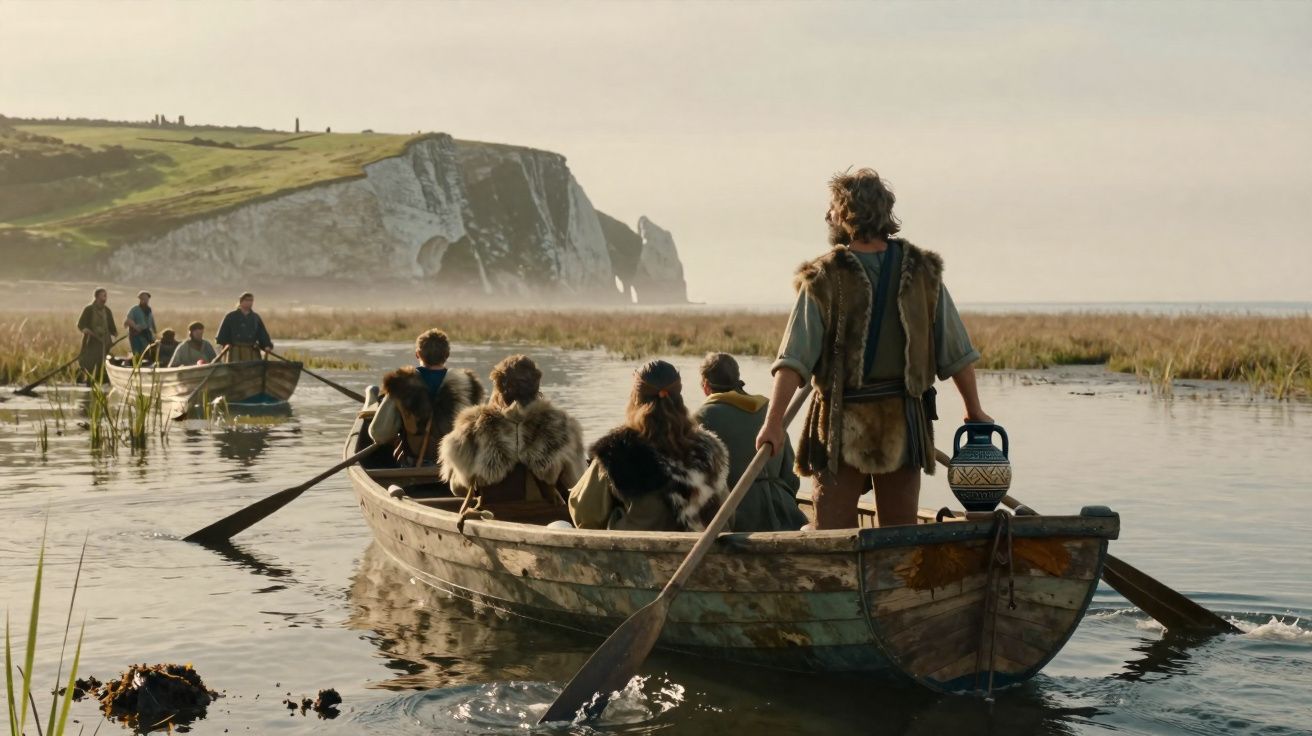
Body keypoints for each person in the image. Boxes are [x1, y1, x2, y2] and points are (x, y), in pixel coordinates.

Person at [756, 168, 992, 530]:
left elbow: (793, 361)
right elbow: (956, 352)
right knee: (898, 535)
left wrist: (773, 424)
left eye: (833, 208)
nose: (828, 216)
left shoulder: (823, 274)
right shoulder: (923, 271)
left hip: (841, 422)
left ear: (846, 213)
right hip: (902, 421)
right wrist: (974, 411)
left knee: (832, 535)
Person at [569, 360, 729, 532]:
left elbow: (585, 516)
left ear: (635, 398)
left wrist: (616, 516)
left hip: (635, 553)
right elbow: (728, 515)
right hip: (702, 550)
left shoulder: (617, 449)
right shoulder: (709, 449)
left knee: (559, 526)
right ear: (679, 398)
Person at [439, 355, 584, 519]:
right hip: (546, 518)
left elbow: (458, 488)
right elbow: (576, 482)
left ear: (499, 388)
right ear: (536, 387)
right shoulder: (562, 425)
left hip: (493, 517)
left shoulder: (471, 426)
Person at [694, 353, 807, 532]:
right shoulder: (771, 411)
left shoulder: (702, 418)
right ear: (738, 379)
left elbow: (700, 485)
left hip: (739, 520)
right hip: (787, 514)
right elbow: (791, 476)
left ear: (706, 386)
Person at [369, 329, 484, 467]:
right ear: (447, 355)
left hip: (416, 465)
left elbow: (380, 434)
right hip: (456, 467)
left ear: (417, 354)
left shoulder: (400, 384)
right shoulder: (469, 385)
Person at [75, 287, 117, 384]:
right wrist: (85, 330)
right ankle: (86, 381)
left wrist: (114, 334)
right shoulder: (88, 309)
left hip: (104, 343)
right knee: (88, 364)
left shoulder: (107, 311)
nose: (105, 298)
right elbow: (81, 324)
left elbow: (112, 328)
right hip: (91, 341)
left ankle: (98, 385)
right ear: (96, 297)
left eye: (105, 296)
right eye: (103, 296)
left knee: (101, 365)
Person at [215, 292, 272, 362]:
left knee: (253, 369)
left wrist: (267, 345)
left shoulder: (255, 317)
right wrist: (226, 344)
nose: (249, 302)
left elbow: (262, 333)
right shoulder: (231, 316)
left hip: (251, 350)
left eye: (251, 300)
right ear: (241, 302)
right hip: (235, 350)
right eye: (247, 300)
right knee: (235, 369)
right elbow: (222, 334)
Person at [124, 290, 157, 357]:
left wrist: (155, 332)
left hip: (147, 334)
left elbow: (152, 322)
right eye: (144, 298)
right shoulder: (135, 309)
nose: (146, 300)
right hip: (136, 336)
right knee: (137, 353)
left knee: (149, 351)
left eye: (147, 299)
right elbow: (128, 321)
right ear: (140, 299)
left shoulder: (149, 310)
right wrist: (135, 326)